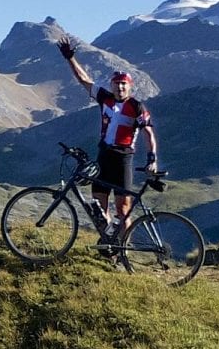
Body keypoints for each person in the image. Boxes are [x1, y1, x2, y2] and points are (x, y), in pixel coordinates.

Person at [56, 36, 158, 243]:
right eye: (116, 84)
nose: (120, 88)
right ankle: (110, 244)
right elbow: (84, 79)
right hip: (104, 156)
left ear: (129, 87)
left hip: (123, 160)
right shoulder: (105, 98)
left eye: (123, 84)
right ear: (111, 85)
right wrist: (70, 58)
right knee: (99, 207)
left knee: (123, 210)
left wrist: (152, 158)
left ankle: (125, 251)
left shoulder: (137, 106)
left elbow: (148, 132)